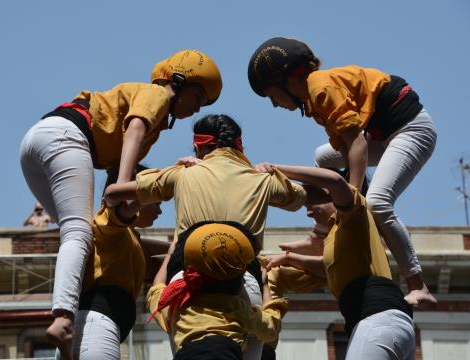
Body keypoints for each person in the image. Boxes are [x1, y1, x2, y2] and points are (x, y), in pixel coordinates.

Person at [19, 50, 222, 357]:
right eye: (197, 97)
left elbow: (121, 164)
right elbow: (135, 130)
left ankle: (65, 315)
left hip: (39, 142)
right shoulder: (157, 94)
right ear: (178, 83)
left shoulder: (127, 236)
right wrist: (124, 187)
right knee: (79, 232)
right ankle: (62, 317)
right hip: (68, 135)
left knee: (78, 232)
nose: (196, 108)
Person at [248, 37, 437, 305]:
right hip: (383, 135)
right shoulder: (315, 99)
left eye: (272, 95)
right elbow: (347, 150)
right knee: (322, 156)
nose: (275, 104)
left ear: (288, 80)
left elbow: (356, 143)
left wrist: (353, 197)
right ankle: (321, 235)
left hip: (410, 130)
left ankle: (418, 284)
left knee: (378, 203)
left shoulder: (320, 88)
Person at [104, 114, 308, 360]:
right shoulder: (261, 179)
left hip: (186, 285)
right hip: (243, 282)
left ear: (198, 146)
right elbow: (304, 196)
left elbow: (113, 194)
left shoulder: (182, 173)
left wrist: (173, 171)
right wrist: (272, 171)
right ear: (239, 146)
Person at [261, 163, 415, 360]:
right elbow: (327, 269)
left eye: (311, 202)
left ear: (330, 196)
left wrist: (274, 169)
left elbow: (335, 181)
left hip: (376, 321)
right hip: (392, 322)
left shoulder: (353, 216)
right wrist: (288, 258)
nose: (308, 211)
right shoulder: (339, 234)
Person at [54, 164, 162, 360]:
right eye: (156, 201)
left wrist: (179, 244)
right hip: (95, 329)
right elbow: (119, 210)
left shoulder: (128, 239)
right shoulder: (109, 220)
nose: (160, 211)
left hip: (96, 331)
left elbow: (147, 248)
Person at [148, 221, 288, 360]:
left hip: (199, 245)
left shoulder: (179, 306)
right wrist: (264, 285)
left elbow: (155, 292)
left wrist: (168, 255)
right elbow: (271, 327)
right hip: (190, 243)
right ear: (240, 287)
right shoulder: (239, 309)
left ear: (191, 278)